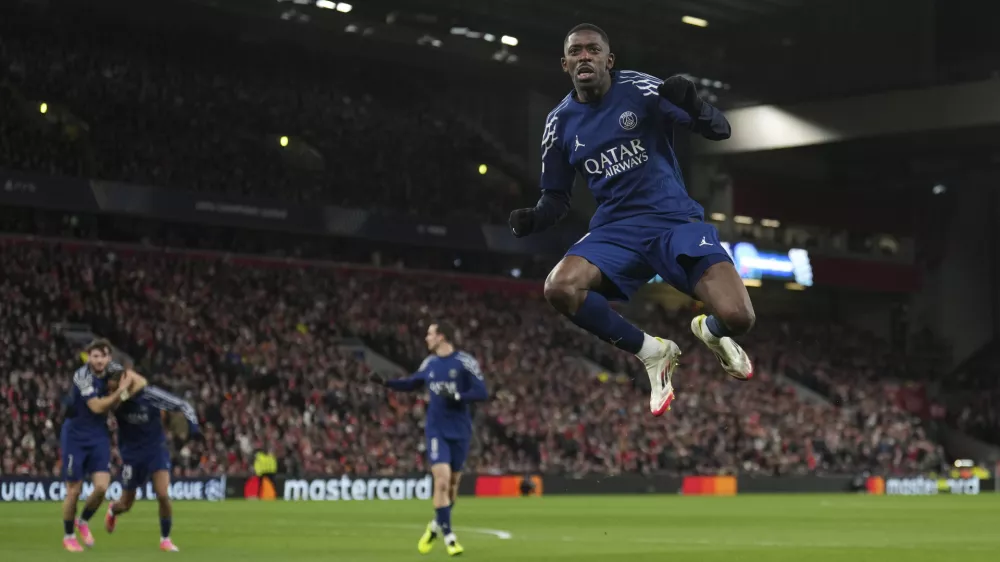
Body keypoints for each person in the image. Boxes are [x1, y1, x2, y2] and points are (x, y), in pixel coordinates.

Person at [508, 23, 755, 416]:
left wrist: (694, 105)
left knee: (739, 318)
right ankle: (652, 352)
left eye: (592, 50)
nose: (584, 56)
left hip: (674, 221)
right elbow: (556, 197)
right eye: (575, 51)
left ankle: (710, 331)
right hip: (616, 231)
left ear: (609, 60)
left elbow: (719, 130)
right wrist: (536, 218)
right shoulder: (559, 123)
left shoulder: (641, 89)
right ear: (565, 64)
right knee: (559, 287)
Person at [370, 322, 489, 557]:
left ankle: (435, 526)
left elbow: (482, 392)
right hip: (437, 430)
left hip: (460, 430)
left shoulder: (465, 362)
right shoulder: (430, 363)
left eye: (430, 334)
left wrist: (457, 396)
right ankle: (450, 538)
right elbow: (412, 383)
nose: (426, 338)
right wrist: (386, 383)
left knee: (452, 486)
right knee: (441, 481)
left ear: (442, 336)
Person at [60, 339, 147, 552]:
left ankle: (83, 521)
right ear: (89, 357)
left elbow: (141, 382)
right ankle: (69, 536)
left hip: (98, 434)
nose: (99, 361)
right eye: (95, 356)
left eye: (103, 356)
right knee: (74, 490)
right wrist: (119, 393)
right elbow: (97, 407)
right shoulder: (82, 376)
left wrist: (123, 393)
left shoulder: (113, 369)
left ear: (109, 358)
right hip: (75, 436)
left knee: (101, 487)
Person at [103, 373, 200, 552]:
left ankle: (165, 539)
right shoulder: (116, 401)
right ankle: (113, 510)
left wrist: (194, 428)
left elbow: (183, 405)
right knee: (125, 504)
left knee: (163, 495)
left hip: (155, 450)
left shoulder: (151, 395)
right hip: (131, 455)